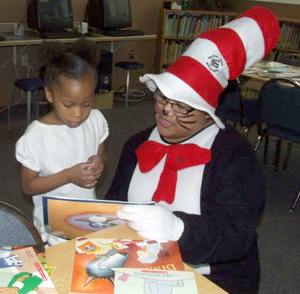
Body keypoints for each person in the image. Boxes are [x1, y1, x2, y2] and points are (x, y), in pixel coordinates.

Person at [105, 7, 280, 294]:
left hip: (208, 278)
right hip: (137, 267)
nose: (165, 110)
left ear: (208, 112)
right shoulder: (136, 144)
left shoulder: (234, 155)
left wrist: (178, 229)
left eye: (182, 105)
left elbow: (238, 235)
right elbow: (114, 207)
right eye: (162, 96)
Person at [15, 40, 109, 245]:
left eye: (86, 104)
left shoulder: (95, 120)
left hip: (87, 218)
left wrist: (99, 161)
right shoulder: (36, 137)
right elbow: (28, 186)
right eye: (68, 105)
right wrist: (68, 175)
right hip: (53, 228)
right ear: (49, 94)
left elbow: (101, 153)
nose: (78, 113)